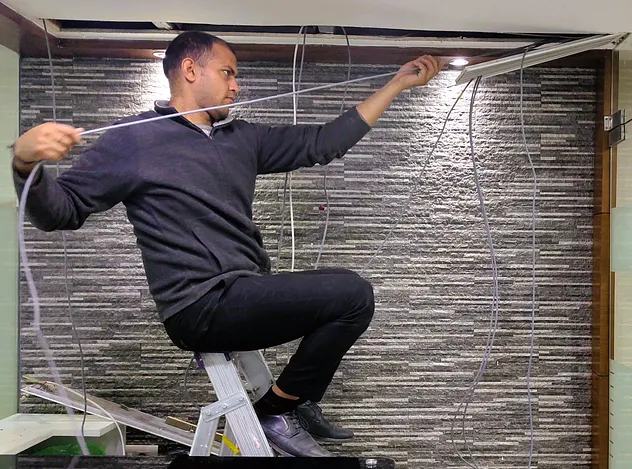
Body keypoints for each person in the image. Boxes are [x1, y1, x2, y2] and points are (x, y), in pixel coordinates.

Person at [10, 31, 442, 457]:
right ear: (191, 69)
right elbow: (58, 213)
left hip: (242, 290)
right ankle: (279, 410)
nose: (237, 85)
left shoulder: (242, 138)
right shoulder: (133, 140)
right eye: (228, 72)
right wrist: (25, 162)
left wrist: (397, 84)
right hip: (197, 306)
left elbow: (324, 142)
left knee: (349, 294)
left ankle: (286, 405)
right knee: (352, 294)